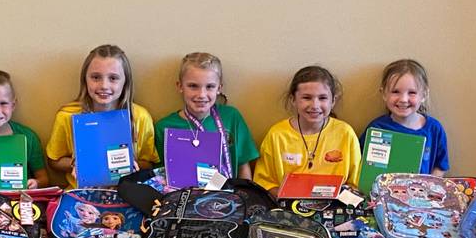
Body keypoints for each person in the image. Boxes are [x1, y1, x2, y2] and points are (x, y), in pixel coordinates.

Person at [46, 44, 159, 188]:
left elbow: (148, 162)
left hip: (125, 193)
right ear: (84, 80)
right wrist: (75, 164)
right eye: (95, 77)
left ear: (125, 82)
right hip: (81, 192)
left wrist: (132, 165)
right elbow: (54, 160)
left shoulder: (140, 117)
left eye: (113, 78)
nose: (104, 85)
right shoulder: (67, 116)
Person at [253, 66, 361, 195]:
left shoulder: (345, 134)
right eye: (307, 98)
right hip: (289, 208)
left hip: (333, 208)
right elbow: (265, 183)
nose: (315, 105)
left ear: (333, 101)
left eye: (322, 98)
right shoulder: (277, 135)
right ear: (293, 99)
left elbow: (355, 185)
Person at [154, 52, 258, 180]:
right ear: (180, 86)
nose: (202, 94)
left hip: (229, 195)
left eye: (210, 86)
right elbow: (162, 175)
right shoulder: (164, 127)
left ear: (219, 88)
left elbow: (243, 165)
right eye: (193, 86)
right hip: (184, 197)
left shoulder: (231, 117)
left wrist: (245, 196)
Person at [361, 59, 449, 176]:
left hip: (421, 192)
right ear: (384, 94)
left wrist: (429, 189)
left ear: (423, 95)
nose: (403, 99)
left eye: (412, 92)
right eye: (395, 91)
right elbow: (362, 164)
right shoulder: (377, 128)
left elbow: (440, 165)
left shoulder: (434, 129)